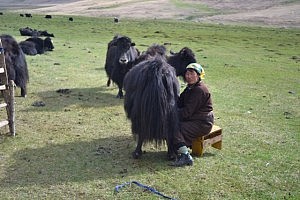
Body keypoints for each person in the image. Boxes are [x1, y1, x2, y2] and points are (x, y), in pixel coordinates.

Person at [171, 63, 214, 167]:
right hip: (194, 120)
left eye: (191, 73)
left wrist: (171, 115)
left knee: (173, 128)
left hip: (202, 123)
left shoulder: (199, 90)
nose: (188, 76)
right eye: (187, 73)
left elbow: (186, 113)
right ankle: (178, 149)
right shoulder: (190, 87)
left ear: (198, 75)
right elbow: (179, 102)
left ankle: (185, 155)